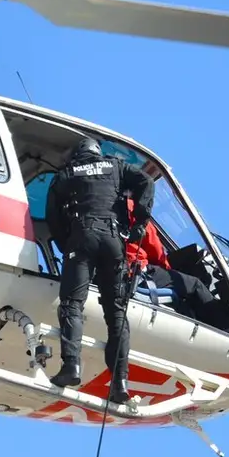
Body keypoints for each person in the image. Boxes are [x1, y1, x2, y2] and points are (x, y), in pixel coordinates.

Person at [45, 136, 155, 404]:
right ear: (97, 152)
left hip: (82, 239)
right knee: (116, 313)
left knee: (72, 304)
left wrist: (66, 245)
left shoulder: (65, 175)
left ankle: (71, 367)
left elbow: (53, 219)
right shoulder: (115, 166)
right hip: (114, 242)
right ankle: (120, 383)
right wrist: (140, 219)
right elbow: (146, 182)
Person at [124, 200, 218, 327]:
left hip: (113, 267)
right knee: (194, 284)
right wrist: (168, 268)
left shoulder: (99, 204)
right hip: (134, 270)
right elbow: (156, 250)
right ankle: (224, 326)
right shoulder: (134, 208)